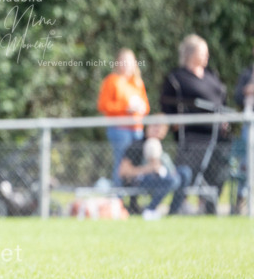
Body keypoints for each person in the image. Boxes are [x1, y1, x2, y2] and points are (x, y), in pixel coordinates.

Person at [159, 34, 231, 215]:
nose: (207, 56)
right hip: (192, 135)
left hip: (216, 135)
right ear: (191, 54)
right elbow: (166, 102)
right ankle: (177, 206)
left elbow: (221, 98)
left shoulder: (211, 75)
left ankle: (207, 206)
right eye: (203, 52)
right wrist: (173, 120)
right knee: (188, 171)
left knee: (218, 170)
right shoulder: (177, 77)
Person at [118, 122, 192, 219]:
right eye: (154, 126)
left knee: (185, 172)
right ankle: (150, 210)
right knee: (173, 180)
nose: (157, 130)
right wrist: (148, 169)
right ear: (148, 127)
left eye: (161, 127)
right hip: (142, 180)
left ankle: (173, 212)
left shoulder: (160, 145)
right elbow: (123, 172)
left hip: (163, 176)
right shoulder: (137, 145)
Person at [97, 49, 149, 185]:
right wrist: (125, 109)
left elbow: (146, 106)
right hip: (119, 129)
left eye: (129, 61)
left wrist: (141, 108)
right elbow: (104, 105)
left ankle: (133, 199)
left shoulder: (137, 82)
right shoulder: (112, 80)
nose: (126, 64)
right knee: (121, 162)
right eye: (123, 61)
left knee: (137, 163)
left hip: (137, 129)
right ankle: (117, 198)